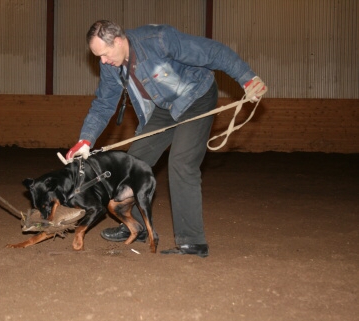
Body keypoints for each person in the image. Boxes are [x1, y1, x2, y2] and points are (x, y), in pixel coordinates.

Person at [65, 20, 267, 257]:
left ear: (118, 41)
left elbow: (213, 52)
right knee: (134, 162)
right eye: (98, 56)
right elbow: (103, 104)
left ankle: (192, 243)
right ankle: (136, 227)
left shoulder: (159, 40)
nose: (103, 61)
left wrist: (247, 78)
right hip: (166, 107)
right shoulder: (111, 65)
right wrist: (85, 140)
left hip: (196, 98)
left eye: (105, 54)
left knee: (182, 163)